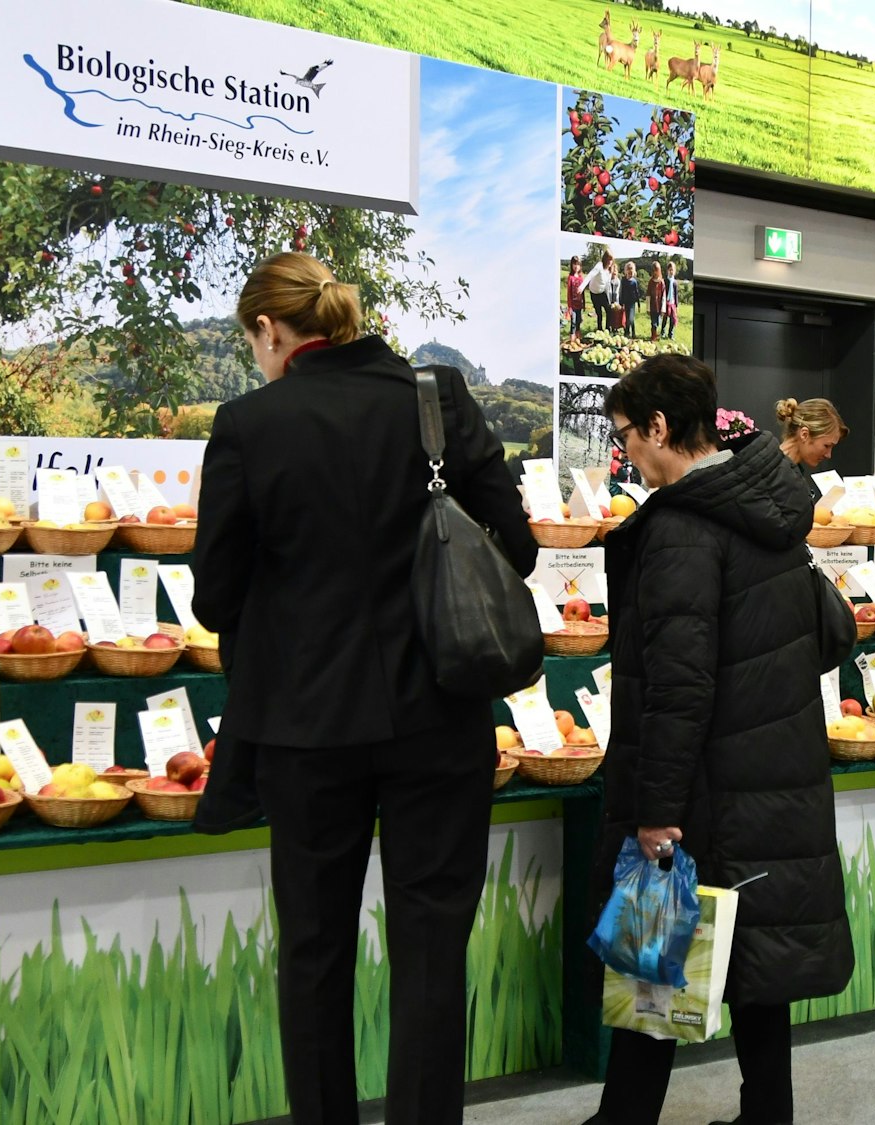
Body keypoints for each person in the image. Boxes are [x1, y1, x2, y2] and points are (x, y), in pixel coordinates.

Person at [192, 252, 539, 1125]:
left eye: (254, 342)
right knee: (431, 944)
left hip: (306, 727)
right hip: (442, 717)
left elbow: (213, 595)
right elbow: (519, 549)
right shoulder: (439, 400)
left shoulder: (248, 425)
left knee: (313, 950)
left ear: (270, 331)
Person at [590, 355, 853, 1123]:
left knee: (654, 946)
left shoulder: (678, 530)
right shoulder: (764, 504)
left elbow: (678, 687)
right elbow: (823, 631)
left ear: (662, 428)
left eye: (627, 436)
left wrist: (656, 808)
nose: (627, 454)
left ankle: (622, 1117)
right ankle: (767, 1112)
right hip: (772, 769)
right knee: (756, 958)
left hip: (706, 781)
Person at [775, 396, 846, 475]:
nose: (828, 455)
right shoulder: (782, 477)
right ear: (804, 435)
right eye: (826, 445)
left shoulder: (771, 465)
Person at [586, 251, 615, 333]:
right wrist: (581, 287)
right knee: (599, 313)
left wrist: (609, 300)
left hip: (602, 292)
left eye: (611, 260)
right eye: (608, 259)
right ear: (605, 259)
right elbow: (590, 275)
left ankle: (607, 329)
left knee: (608, 310)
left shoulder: (610, 270)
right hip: (594, 293)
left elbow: (607, 284)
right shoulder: (599, 265)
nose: (610, 262)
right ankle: (599, 329)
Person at [566, 257, 588, 344]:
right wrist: (569, 307)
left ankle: (578, 339)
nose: (576, 266)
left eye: (578, 264)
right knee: (573, 322)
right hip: (573, 306)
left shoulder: (581, 278)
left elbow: (583, 293)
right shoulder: (570, 278)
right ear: (571, 265)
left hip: (580, 305)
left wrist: (584, 304)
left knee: (579, 321)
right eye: (574, 264)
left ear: (580, 266)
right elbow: (568, 293)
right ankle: (572, 339)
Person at [618, 262, 641, 338]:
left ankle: (631, 332)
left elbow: (637, 292)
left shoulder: (634, 282)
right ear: (625, 271)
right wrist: (620, 303)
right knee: (626, 318)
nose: (630, 271)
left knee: (630, 319)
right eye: (628, 269)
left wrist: (638, 304)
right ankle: (627, 332)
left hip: (632, 303)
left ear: (634, 271)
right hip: (625, 302)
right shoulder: (623, 281)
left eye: (631, 269)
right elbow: (621, 291)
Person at [661, 258, 681, 340]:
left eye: (672, 270)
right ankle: (662, 331)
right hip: (666, 302)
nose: (671, 272)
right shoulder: (665, 281)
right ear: (667, 271)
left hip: (672, 302)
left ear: (674, 271)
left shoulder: (675, 282)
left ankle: (671, 334)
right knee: (665, 318)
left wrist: (676, 305)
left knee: (673, 319)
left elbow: (676, 294)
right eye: (670, 270)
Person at [646, 262, 666, 341]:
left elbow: (664, 296)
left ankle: (655, 333)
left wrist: (663, 309)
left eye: (657, 270)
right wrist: (648, 308)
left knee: (658, 322)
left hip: (659, 306)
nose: (655, 272)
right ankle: (653, 335)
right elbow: (648, 295)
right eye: (654, 270)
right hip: (652, 306)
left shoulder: (661, 282)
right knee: (653, 322)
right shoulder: (651, 282)